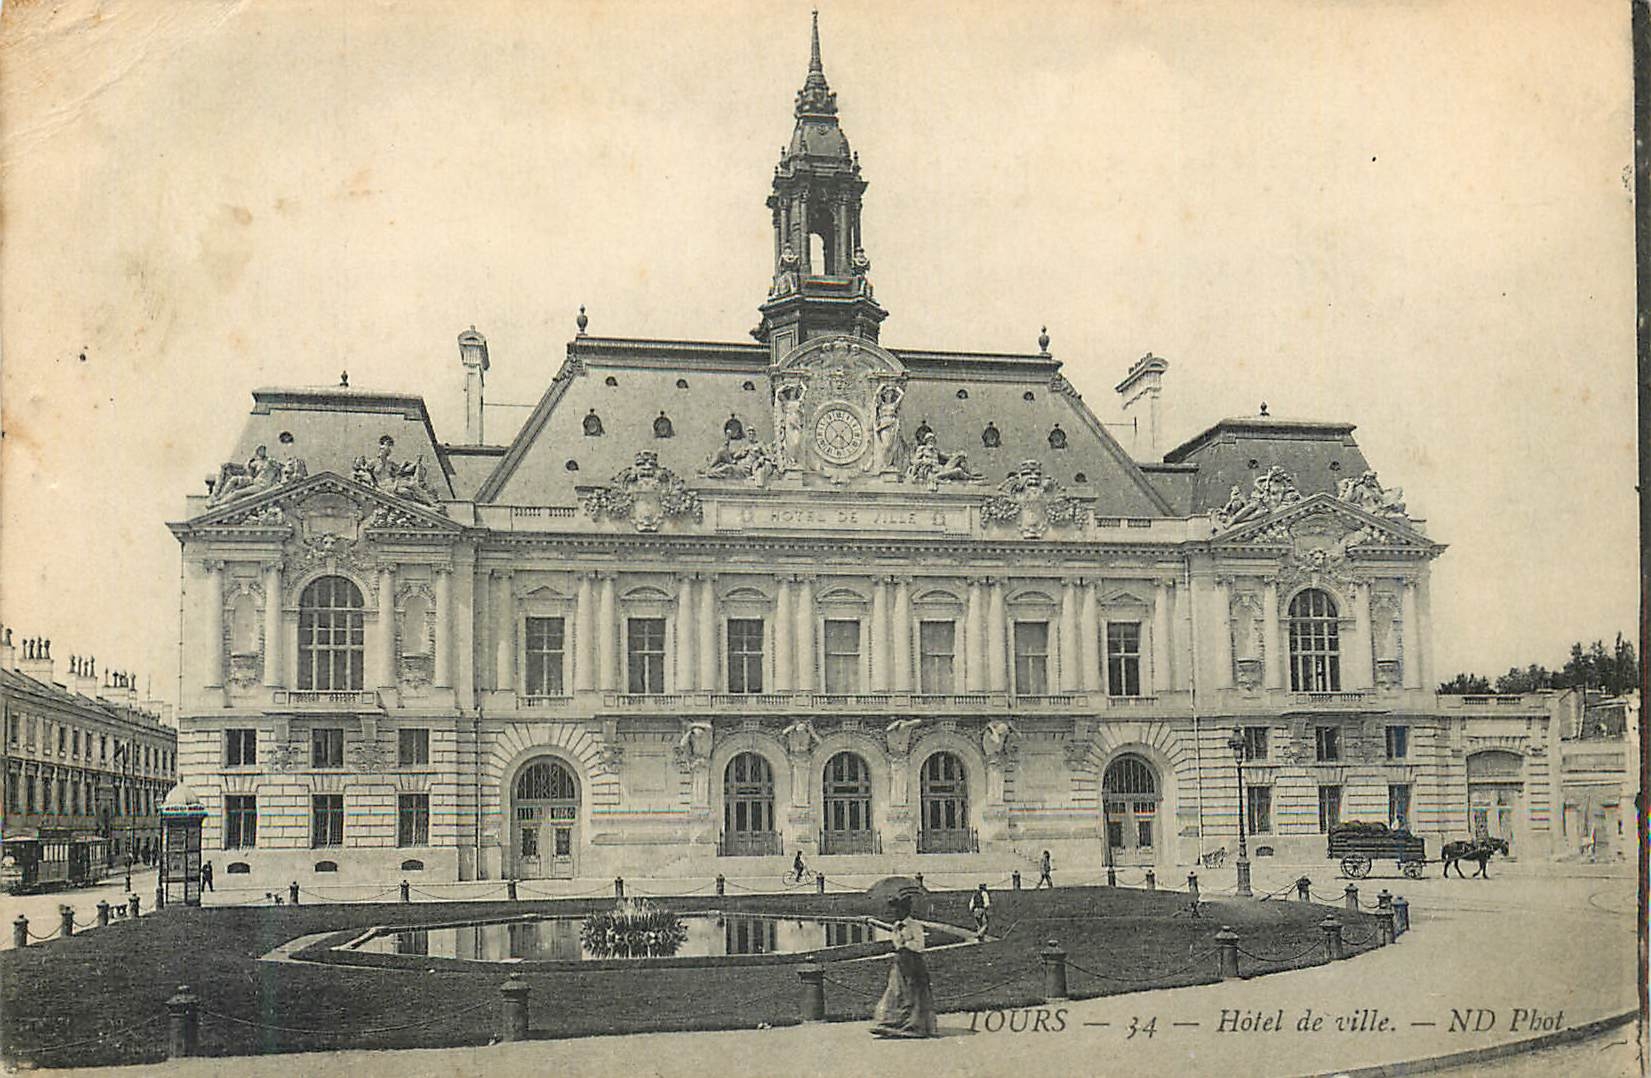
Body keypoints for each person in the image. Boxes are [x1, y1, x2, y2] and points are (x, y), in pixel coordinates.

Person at [870, 895, 937, 1038]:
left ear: (905, 911)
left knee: (914, 994)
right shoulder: (896, 926)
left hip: (914, 962)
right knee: (895, 991)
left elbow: (920, 945)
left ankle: (914, 1026)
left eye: (898, 910)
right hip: (900, 962)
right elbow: (896, 944)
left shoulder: (914, 926)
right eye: (895, 911)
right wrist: (899, 943)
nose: (896, 913)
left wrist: (906, 944)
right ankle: (889, 1023)